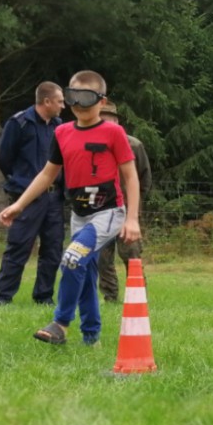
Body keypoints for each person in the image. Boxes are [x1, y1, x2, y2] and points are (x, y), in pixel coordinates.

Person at [0, 70, 141, 346]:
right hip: (79, 215)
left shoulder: (114, 132)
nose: (77, 103)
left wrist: (132, 218)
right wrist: (19, 204)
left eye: (85, 97)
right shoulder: (62, 132)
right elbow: (47, 174)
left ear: (101, 101)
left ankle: (61, 323)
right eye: (72, 96)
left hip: (108, 213)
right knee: (84, 271)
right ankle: (91, 337)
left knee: (72, 259)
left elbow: (131, 175)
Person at [0, 81, 66, 306]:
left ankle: (43, 296)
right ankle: (3, 297)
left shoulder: (58, 126)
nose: (63, 106)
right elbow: (4, 158)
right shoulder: (19, 123)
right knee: (19, 246)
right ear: (47, 101)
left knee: (53, 249)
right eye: (60, 101)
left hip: (54, 198)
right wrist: (20, 183)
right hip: (27, 197)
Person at [97, 101, 152, 302]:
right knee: (102, 258)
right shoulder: (94, 145)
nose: (103, 122)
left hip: (127, 210)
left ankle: (137, 297)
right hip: (101, 209)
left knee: (132, 255)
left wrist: (134, 209)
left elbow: (145, 180)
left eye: (107, 118)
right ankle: (110, 297)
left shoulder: (134, 145)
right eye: (99, 118)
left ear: (116, 121)